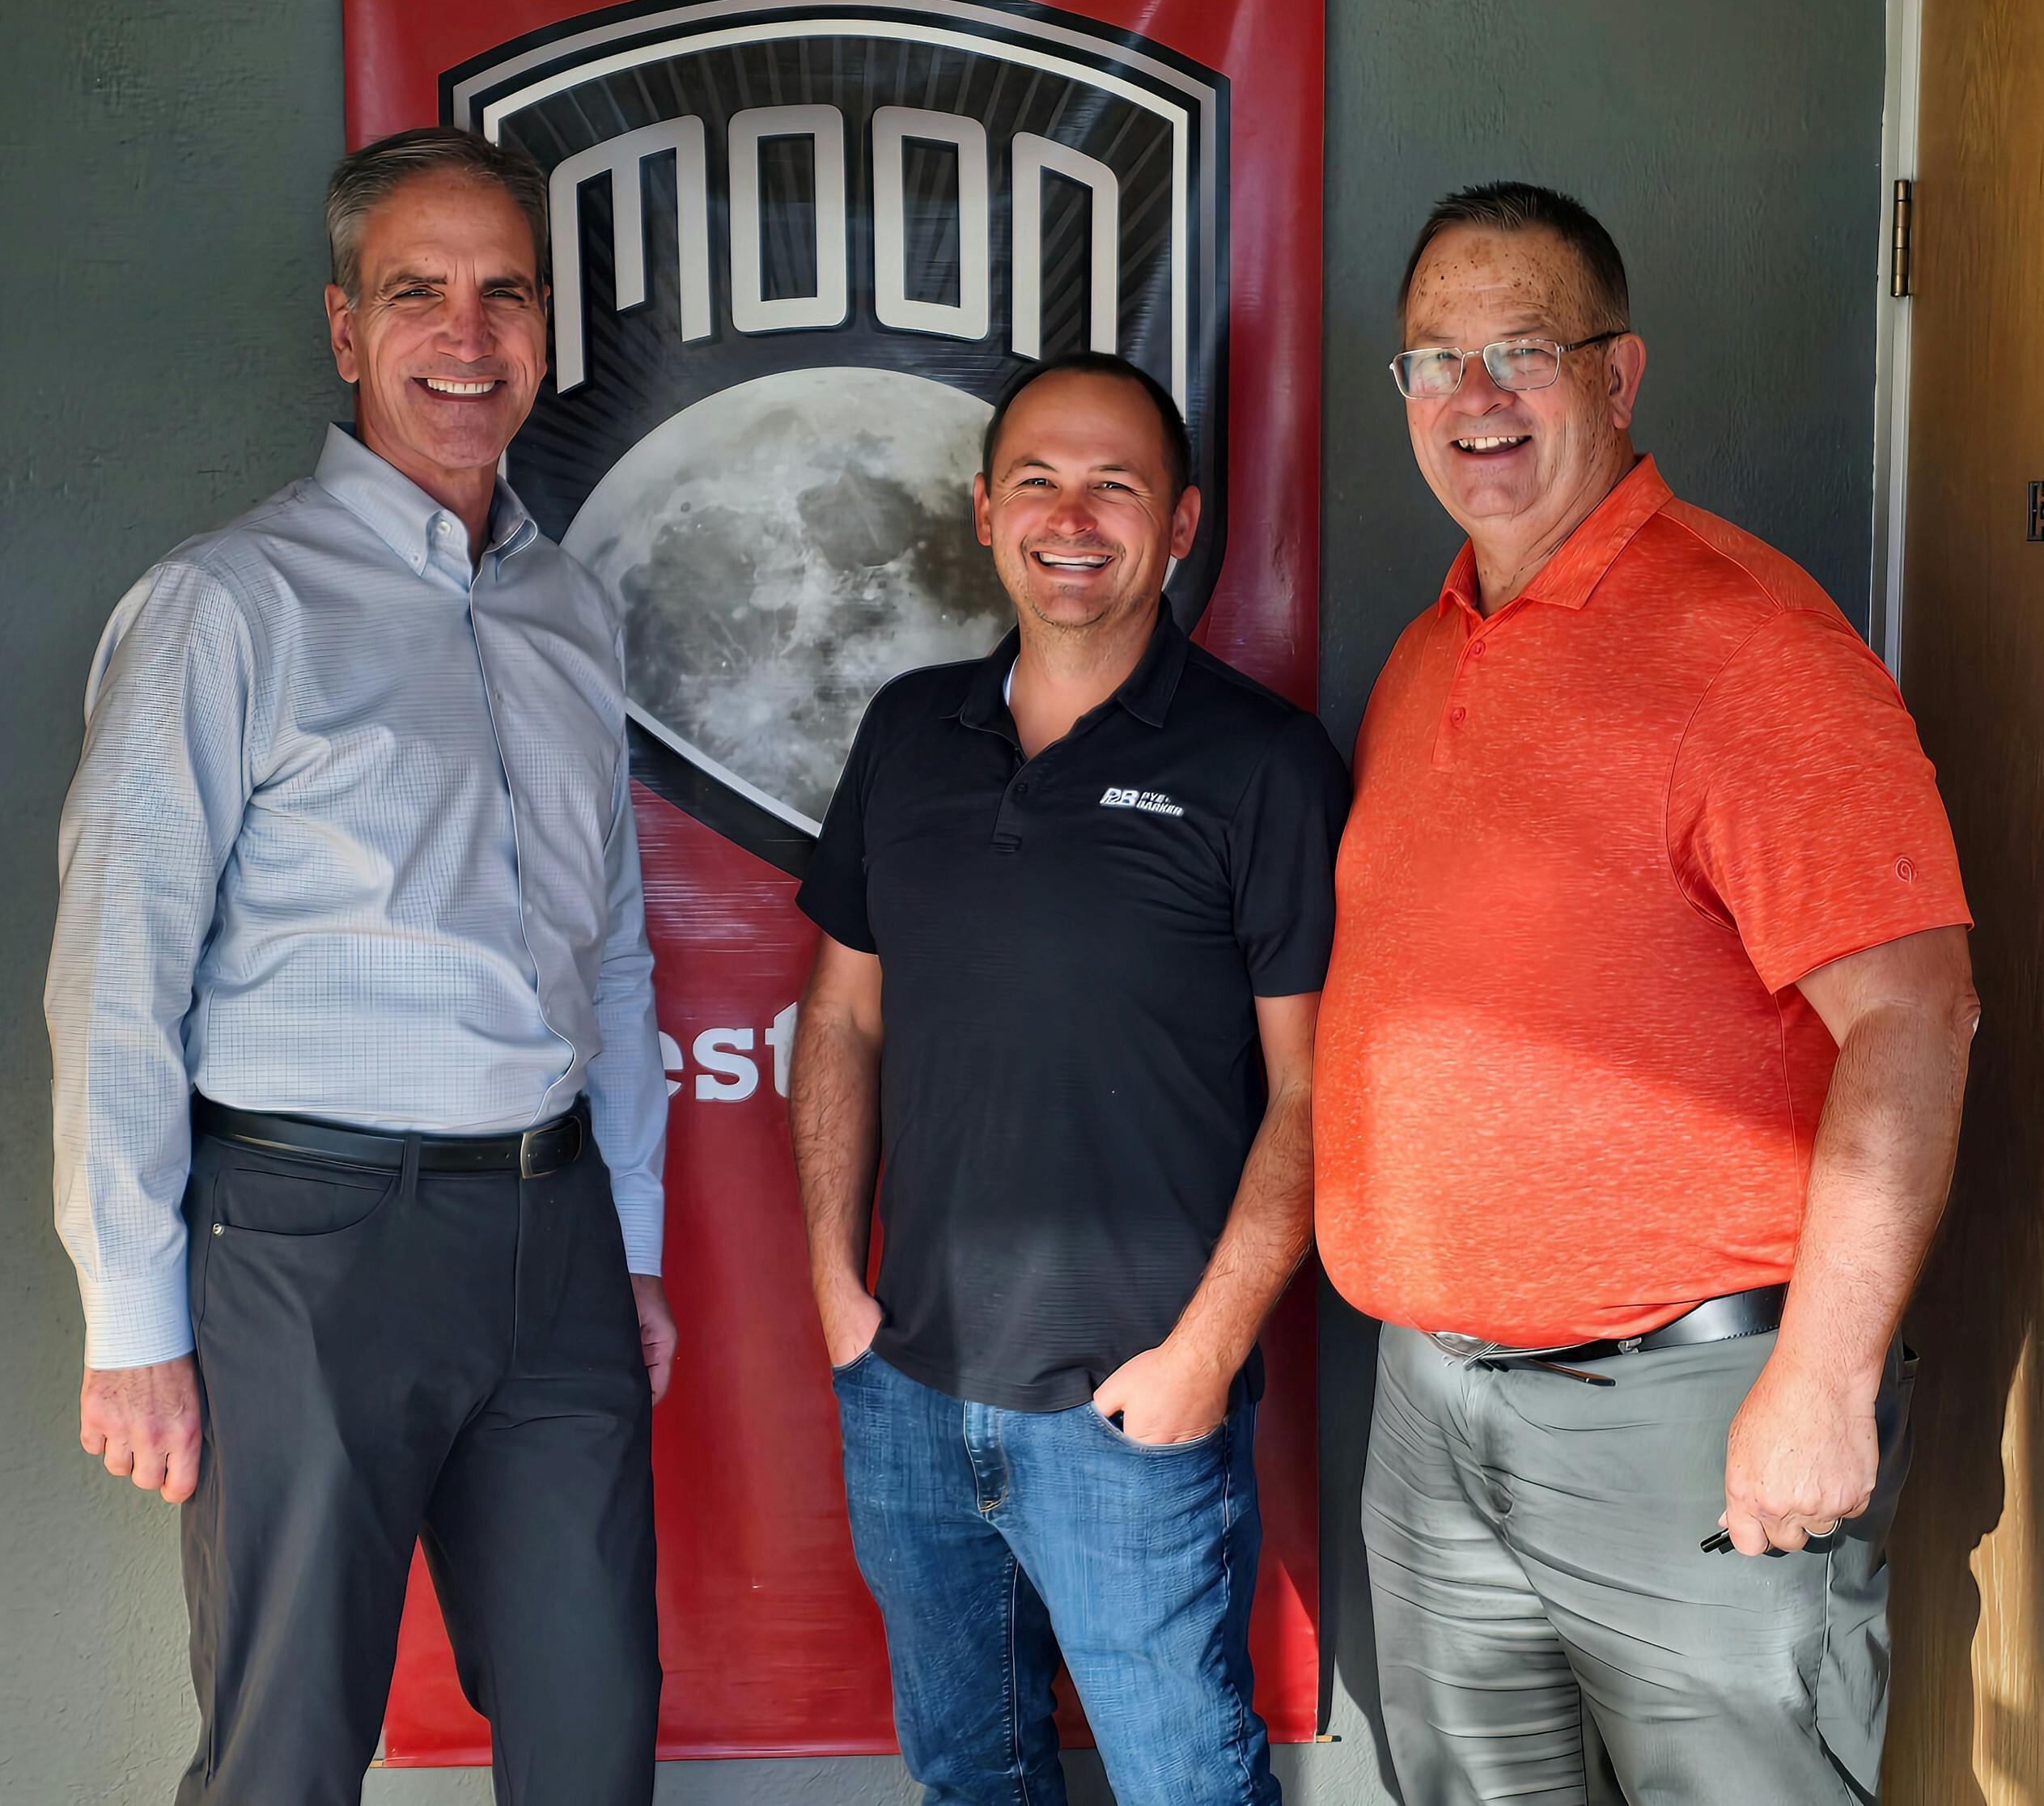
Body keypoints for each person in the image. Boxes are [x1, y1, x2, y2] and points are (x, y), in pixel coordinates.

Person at [1315, 181, 1978, 1804]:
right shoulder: (1429, 652)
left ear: (1621, 378)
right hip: (1433, 1403)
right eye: (1435, 362)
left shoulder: (1746, 643)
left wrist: (1820, 1384)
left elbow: (1914, 1016)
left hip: (1690, 1407)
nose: (1475, 401)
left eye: (1522, 353)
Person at [45, 126, 673, 1806]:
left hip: (551, 1249)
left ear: (546, 328)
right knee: (290, 1755)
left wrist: (635, 1243)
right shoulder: (225, 605)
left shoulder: (568, 614)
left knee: (595, 1738)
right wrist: (132, 1318)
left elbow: (611, 955)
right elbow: (115, 973)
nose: (468, 337)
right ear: (345, 331)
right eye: (420, 294)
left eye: (506, 294)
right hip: (304, 1247)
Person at [789, 355, 1347, 1806]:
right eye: (1035, 479)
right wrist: (835, 1291)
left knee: (1185, 1786)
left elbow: (1314, 1091)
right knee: (971, 1778)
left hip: (1134, 1404)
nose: (1071, 515)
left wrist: (1202, 1358)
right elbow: (842, 1014)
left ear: (1180, 524)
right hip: (907, 1381)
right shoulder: (910, 733)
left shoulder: (1262, 763)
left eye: (1116, 483)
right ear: (982, 513)